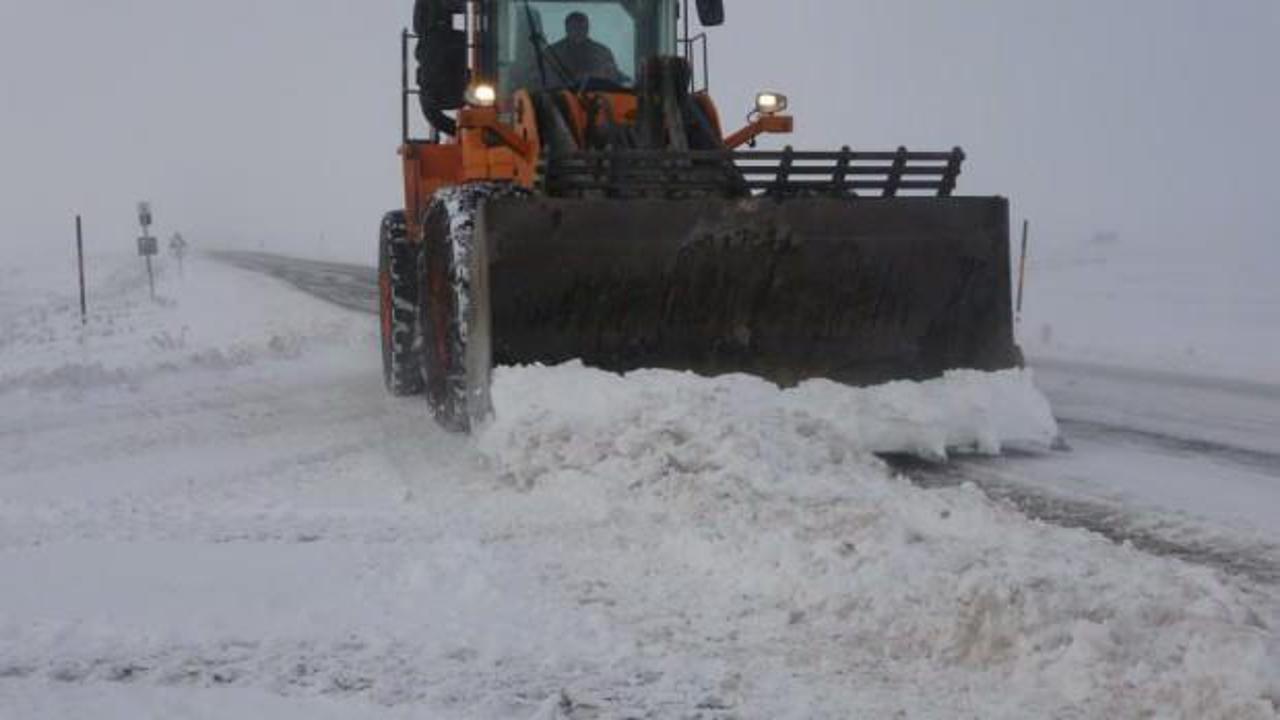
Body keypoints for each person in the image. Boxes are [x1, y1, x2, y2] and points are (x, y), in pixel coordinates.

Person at [546, 12, 622, 85]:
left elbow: (613, 77)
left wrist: (592, 76)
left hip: (597, 96)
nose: (579, 31)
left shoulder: (601, 52)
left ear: (588, 29)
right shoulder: (552, 52)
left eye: (583, 28)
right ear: (567, 29)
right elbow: (542, 80)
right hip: (558, 96)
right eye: (575, 28)